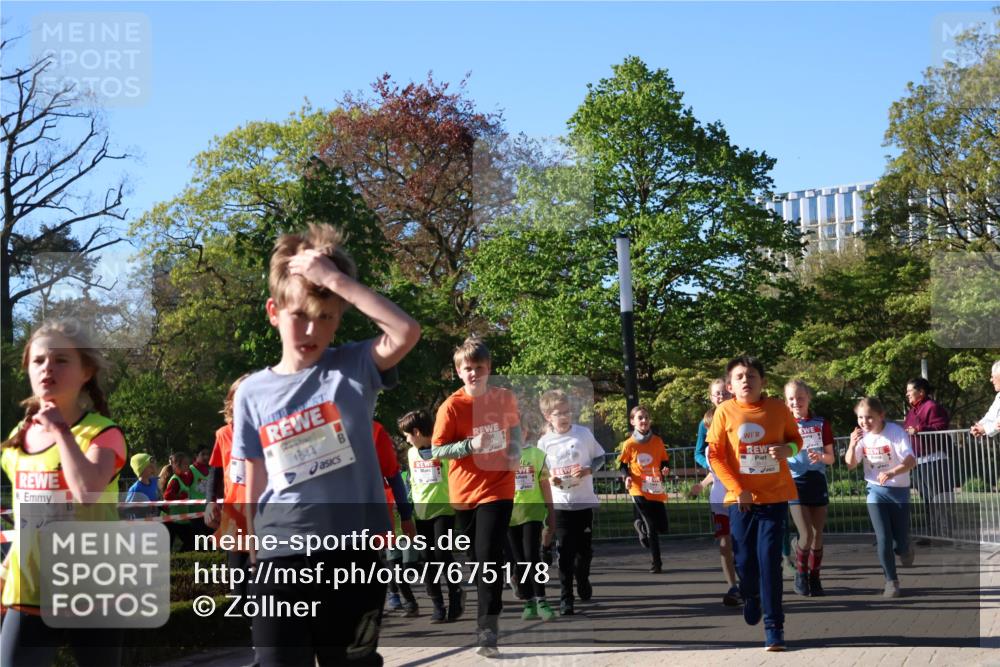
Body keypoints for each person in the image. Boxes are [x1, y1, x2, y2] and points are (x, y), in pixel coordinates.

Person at [233, 222, 420, 667]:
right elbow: (252, 486)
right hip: (281, 558)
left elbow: (406, 330)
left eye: (327, 317)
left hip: (354, 556)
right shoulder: (251, 392)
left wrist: (336, 280)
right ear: (273, 312)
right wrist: (249, 558)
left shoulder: (353, 367)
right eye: (300, 315)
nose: (312, 329)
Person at [0, 320, 127, 667]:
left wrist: (60, 431)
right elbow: (29, 516)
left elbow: (87, 491)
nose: (48, 369)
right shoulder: (16, 439)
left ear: (86, 371)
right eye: (39, 360)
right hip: (30, 593)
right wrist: (7, 567)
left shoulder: (103, 433)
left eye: (61, 360)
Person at [431, 336, 522, 658]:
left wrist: (514, 453)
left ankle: (487, 631)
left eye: (479, 368)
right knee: (474, 557)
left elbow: (516, 434)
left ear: (489, 369)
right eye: (467, 369)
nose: (473, 373)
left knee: (488, 559)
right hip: (464, 492)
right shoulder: (451, 407)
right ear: (459, 372)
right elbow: (436, 450)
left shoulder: (504, 399)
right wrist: (471, 446)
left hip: (498, 487)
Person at [707, 355, 802, 652]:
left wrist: (786, 449)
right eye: (739, 376)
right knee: (746, 562)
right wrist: (738, 489)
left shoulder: (778, 409)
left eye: (751, 375)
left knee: (769, 562)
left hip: (773, 496)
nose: (746, 380)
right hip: (740, 500)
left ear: (762, 381)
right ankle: (751, 595)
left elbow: (796, 440)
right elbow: (715, 455)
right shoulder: (724, 411)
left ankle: (774, 628)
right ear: (730, 384)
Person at [537, 390, 605, 615]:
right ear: (548, 416)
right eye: (559, 413)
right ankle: (566, 598)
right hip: (561, 504)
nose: (565, 417)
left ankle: (583, 580)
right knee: (565, 552)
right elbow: (540, 472)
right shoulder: (544, 443)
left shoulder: (583, 434)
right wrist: (551, 478)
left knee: (583, 553)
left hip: (584, 501)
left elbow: (600, 457)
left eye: (567, 412)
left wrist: (587, 470)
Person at [397, 409, 465, 623]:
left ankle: (456, 594)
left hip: (444, 510)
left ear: (417, 432)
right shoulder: (411, 454)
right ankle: (437, 603)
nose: (407, 441)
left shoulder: (443, 450)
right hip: (422, 513)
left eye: (407, 435)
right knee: (427, 559)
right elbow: (415, 483)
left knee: (441, 554)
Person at [845, 397, 916, 597]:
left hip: (898, 491)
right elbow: (850, 464)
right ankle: (891, 581)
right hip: (875, 491)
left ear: (881, 415)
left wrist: (893, 472)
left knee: (899, 542)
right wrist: (852, 444)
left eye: (869, 417)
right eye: (860, 417)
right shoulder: (862, 436)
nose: (864, 422)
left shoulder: (895, 432)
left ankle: (904, 547)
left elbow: (911, 460)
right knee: (883, 537)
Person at [783, 379, 835, 597]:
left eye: (800, 398)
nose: (796, 402)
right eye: (791, 399)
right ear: (786, 401)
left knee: (817, 534)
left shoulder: (821, 424)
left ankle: (815, 576)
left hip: (816, 481)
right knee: (805, 535)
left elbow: (831, 458)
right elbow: (775, 453)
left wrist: (820, 456)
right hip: (794, 483)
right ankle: (801, 574)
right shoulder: (782, 425)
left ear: (809, 398)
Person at [691, 378, 740, 606]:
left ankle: (747, 581)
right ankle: (733, 587)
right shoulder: (707, 429)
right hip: (719, 501)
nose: (720, 397)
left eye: (723, 393)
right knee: (724, 544)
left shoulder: (739, 425)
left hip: (740, 498)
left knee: (742, 545)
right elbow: (707, 461)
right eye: (716, 394)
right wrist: (703, 483)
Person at [508, 422, 556, 621]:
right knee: (519, 560)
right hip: (509, 515)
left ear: (525, 431)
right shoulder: (500, 458)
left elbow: (545, 485)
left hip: (532, 512)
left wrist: (551, 511)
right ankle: (528, 602)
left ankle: (542, 600)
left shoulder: (536, 455)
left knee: (532, 557)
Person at [618, 405, 670, 573]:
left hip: (654, 486)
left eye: (646, 417)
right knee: (652, 527)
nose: (644, 421)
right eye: (640, 418)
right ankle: (657, 563)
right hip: (638, 487)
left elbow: (664, 461)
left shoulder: (657, 441)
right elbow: (623, 465)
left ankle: (638, 524)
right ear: (633, 421)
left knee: (663, 527)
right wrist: (626, 477)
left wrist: (665, 469)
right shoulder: (629, 444)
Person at [903, 378, 952, 540]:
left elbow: (941, 428)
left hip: (934, 459)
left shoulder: (932, 407)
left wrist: (919, 429)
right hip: (918, 461)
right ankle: (932, 534)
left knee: (938, 498)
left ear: (921, 392)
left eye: (910, 391)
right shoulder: (912, 411)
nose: (907, 394)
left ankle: (944, 535)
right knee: (927, 499)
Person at [162, 452, 197, 551]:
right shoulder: (175, 480)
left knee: (192, 543)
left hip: (182, 518)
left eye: (188, 463)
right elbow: (167, 496)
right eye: (185, 464)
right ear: (177, 465)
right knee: (168, 547)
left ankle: (179, 560)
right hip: (172, 519)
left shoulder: (184, 478)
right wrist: (180, 497)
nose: (188, 466)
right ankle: (175, 562)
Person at [969, 360, 1000, 438]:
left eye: (993, 376)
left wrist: (984, 429)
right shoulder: (998, 397)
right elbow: (990, 416)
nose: (991, 380)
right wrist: (978, 427)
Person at [125, 453, 160, 520]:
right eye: (149, 467)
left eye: (152, 466)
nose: (152, 468)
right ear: (141, 470)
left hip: (154, 522)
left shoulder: (153, 482)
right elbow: (127, 508)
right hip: (140, 525)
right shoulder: (135, 489)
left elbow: (156, 472)